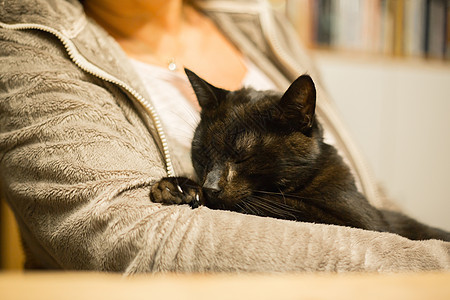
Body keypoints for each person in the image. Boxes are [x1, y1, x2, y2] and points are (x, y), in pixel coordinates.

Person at [0, 0, 448, 273]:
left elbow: (369, 194)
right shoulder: (26, 42)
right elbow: (124, 237)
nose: (214, 183)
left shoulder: (261, 23)